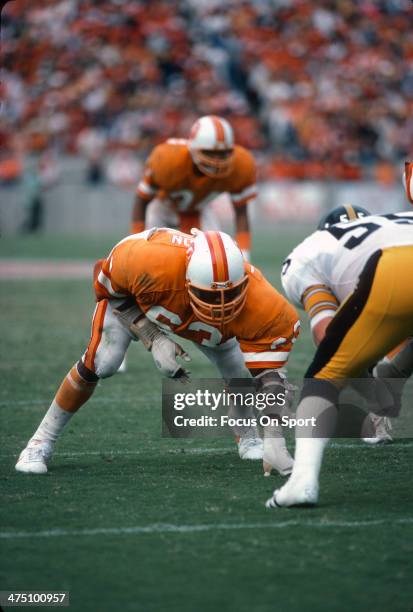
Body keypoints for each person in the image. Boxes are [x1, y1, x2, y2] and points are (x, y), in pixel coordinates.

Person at [16, 228, 300, 475]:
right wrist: (152, 336)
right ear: (188, 279)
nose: (219, 306)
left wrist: (275, 438)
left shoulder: (265, 305)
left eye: (230, 293)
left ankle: (248, 437)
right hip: (143, 303)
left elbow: (268, 377)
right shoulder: (146, 260)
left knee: (239, 370)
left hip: (196, 319)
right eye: (209, 296)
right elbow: (110, 290)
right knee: (104, 361)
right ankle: (40, 441)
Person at [265, 210, 413, 508]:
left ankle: (301, 483)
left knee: (321, 377)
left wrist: (371, 388)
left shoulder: (309, 253)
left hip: (396, 269)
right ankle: (392, 376)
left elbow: (326, 334)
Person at [280, 204, 395, 444]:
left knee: (338, 346)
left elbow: (326, 337)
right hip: (397, 284)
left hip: (393, 293)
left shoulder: (310, 263)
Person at [131, 116, 256, 261]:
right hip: (162, 208)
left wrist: (244, 252)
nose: (217, 161)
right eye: (210, 153)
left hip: (199, 210)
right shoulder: (168, 159)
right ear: (193, 149)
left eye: (223, 153)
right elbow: (142, 199)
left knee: (216, 258)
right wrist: (136, 239)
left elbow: (241, 211)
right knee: (147, 258)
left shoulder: (240, 165)